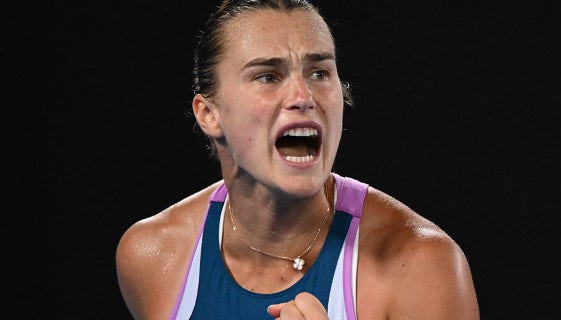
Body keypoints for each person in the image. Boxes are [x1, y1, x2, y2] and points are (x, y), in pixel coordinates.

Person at [115, 0, 480, 319]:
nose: (303, 96)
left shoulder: (420, 267)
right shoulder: (153, 255)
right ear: (209, 114)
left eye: (319, 73)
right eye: (268, 76)